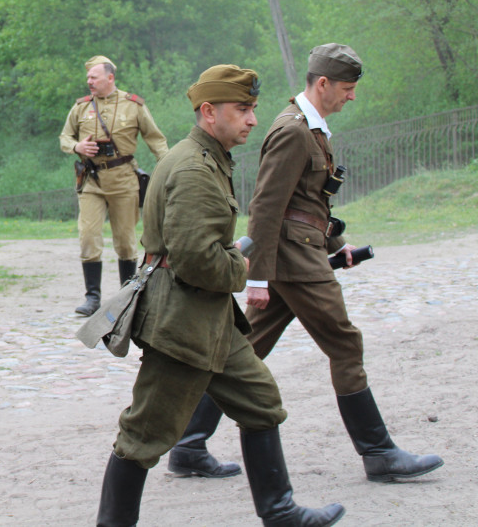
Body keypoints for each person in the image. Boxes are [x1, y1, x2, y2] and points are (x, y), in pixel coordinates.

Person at [167, 44, 444, 484]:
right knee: (345, 343)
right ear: (323, 84)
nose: (351, 96)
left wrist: (338, 243)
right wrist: (256, 277)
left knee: (245, 349)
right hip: (292, 261)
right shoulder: (293, 130)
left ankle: (187, 445)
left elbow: (308, 203)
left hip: (297, 254)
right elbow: (266, 208)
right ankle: (378, 452)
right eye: (347, 89)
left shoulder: (314, 129)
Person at [96, 65, 344, 527]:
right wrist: (240, 267)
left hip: (209, 318)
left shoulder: (206, 158)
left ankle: (280, 511)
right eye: (243, 109)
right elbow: (194, 260)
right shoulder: (193, 167)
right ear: (210, 113)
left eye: (253, 109)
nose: (253, 119)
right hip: (181, 323)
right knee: (144, 433)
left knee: (260, 401)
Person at [59, 55, 168, 317]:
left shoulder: (133, 105)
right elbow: (65, 136)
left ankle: (125, 295)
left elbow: (156, 139)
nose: (89, 82)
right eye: (87, 78)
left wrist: (169, 170)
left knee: (125, 240)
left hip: (123, 180)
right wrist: (77, 146)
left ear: (110, 78)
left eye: (93, 77)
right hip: (91, 180)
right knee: (88, 236)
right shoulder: (81, 108)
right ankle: (92, 297)